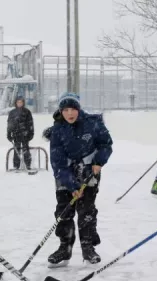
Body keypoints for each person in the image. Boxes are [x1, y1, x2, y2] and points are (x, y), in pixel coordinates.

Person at [45, 92, 113, 266]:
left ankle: (88, 247)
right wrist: (72, 184)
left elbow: (106, 144)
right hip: (65, 174)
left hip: (89, 171)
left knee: (86, 211)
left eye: (73, 109)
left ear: (79, 109)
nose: (70, 113)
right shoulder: (58, 130)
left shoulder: (93, 123)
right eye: (66, 110)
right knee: (64, 211)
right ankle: (64, 248)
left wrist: (99, 162)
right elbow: (57, 162)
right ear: (61, 111)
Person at [7, 96, 34, 171]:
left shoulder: (27, 112)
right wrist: (9, 134)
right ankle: (16, 166)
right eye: (18, 102)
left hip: (25, 134)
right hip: (16, 134)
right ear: (16, 103)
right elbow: (9, 124)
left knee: (26, 150)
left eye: (21, 102)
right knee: (16, 150)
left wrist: (31, 133)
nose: (19, 104)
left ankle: (28, 165)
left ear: (23, 103)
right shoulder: (12, 113)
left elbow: (30, 123)